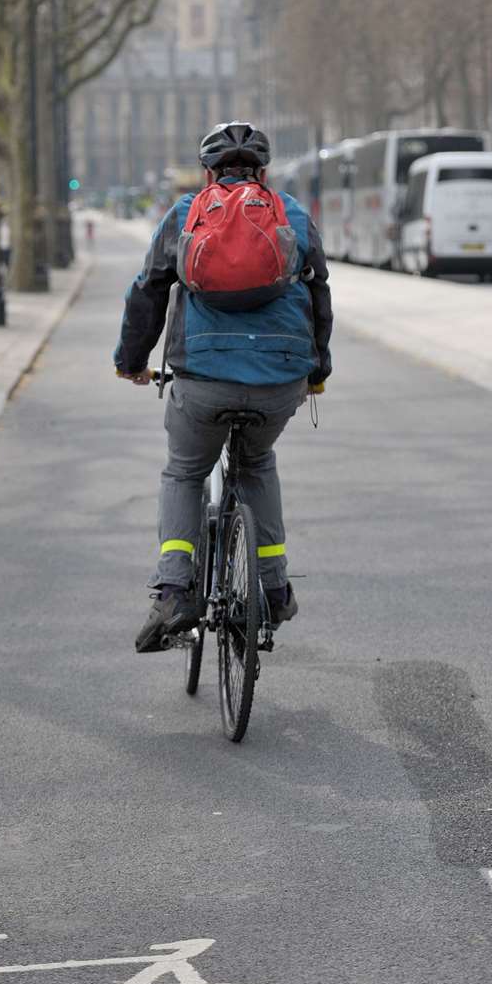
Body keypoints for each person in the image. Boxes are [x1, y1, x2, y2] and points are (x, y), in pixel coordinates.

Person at [115, 121, 332, 654]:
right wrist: (317, 371)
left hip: (203, 379)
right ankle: (275, 588)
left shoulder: (186, 213)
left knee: (184, 471)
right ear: (263, 172)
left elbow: (148, 291)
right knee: (257, 464)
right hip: (281, 377)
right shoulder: (293, 215)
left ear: (207, 172)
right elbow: (320, 293)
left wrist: (132, 361)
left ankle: (173, 589)